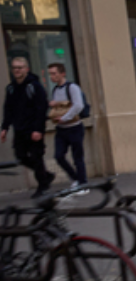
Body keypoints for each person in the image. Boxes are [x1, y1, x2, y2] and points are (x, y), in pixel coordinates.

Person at [2, 57, 53, 197]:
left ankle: (42, 185)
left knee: (37, 157)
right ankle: (46, 175)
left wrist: (38, 129)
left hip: (33, 128)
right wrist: (4, 128)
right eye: (14, 68)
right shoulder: (11, 88)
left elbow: (41, 109)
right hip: (19, 129)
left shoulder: (34, 86)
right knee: (21, 156)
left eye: (20, 67)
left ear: (26, 69)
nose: (17, 70)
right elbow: (8, 109)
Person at [47, 63, 88, 192]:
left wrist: (64, 118)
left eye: (54, 73)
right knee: (58, 156)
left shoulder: (72, 88)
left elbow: (78, 106)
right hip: (61, 129)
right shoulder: (55, 90)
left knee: (78, 158)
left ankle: (83, 184)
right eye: (50, 74)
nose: (52, 76)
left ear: (62, 73)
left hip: (74, 127)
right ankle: (75, 178)